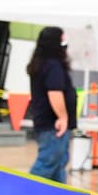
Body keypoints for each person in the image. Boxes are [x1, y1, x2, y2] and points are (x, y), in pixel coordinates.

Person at [25, 26, 77, 183]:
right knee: (47, 163)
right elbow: (54, 93)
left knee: (58, 165)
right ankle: (25, 193)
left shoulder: (42, 64)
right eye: (62, 40)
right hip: (53, 124)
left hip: (49, 123)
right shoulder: (52, 66)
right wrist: (63, 117)